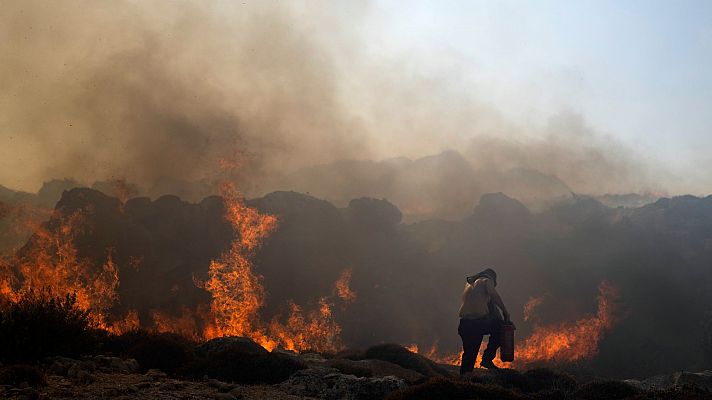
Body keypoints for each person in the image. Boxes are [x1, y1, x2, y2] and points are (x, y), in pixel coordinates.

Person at [457, 268, 510, 373]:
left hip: (464, 324)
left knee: (469, 355)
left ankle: (464, 380)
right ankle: (487, 359)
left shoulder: (469, 285)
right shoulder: (486, 280)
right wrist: (505, 311)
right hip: (478, 323)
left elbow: (484, 305)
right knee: (501, 329)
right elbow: (493, 295)